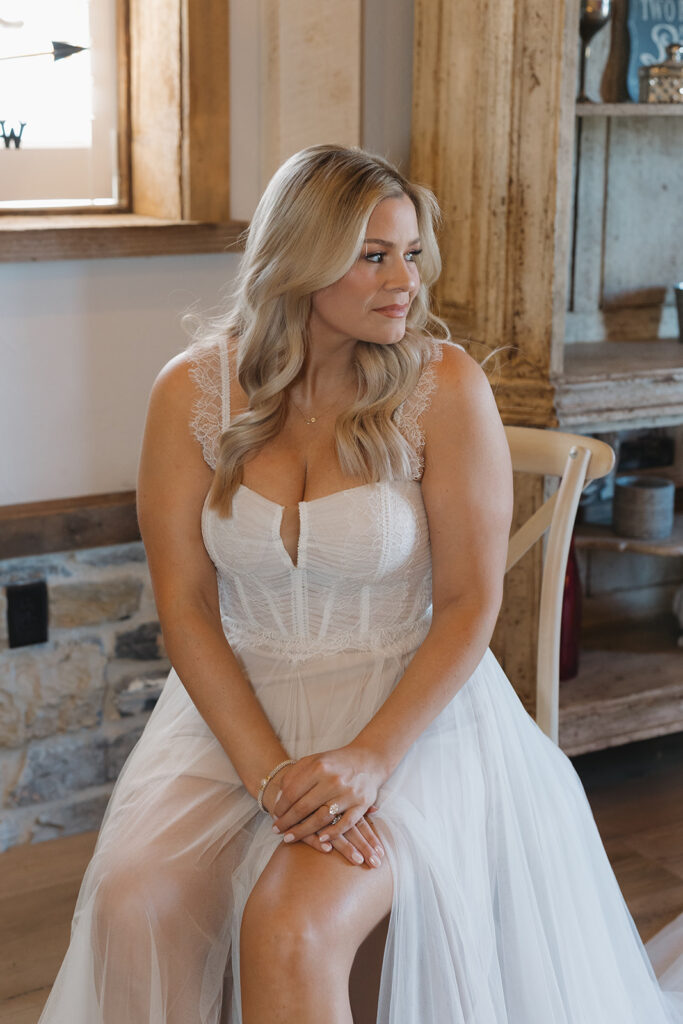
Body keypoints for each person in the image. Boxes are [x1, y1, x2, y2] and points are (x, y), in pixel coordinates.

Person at [39, 144, 683, 1024]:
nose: (403, 282)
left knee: (290, 925)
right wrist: (270, 776)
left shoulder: (442, 387)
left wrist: (371, 760)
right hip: (237, 712)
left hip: (412, 714)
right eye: (372, 255)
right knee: (131, 897)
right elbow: (186, 607)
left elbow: (468, 604)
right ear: (298, 260)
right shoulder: (189, 393)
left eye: (410, 254)